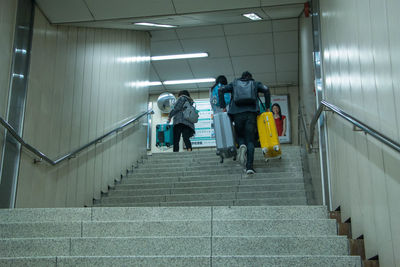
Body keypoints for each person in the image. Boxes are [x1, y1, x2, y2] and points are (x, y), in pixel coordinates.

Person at [219, 71, 270, 175]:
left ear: (241, 77)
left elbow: (221, 90)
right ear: (251, 78)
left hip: (236, 114)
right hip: (251, 114)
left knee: (239, 135)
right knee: (250, 140)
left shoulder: (234, 83)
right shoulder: (255, 84)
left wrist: (223, 106)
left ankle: (242, 145)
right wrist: (268, 106)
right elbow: (266, 89)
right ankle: (249, 167)